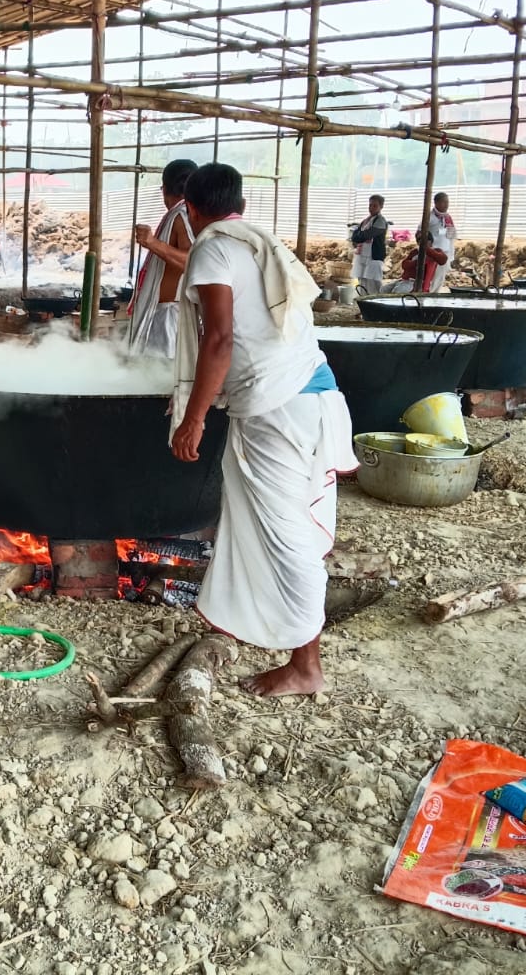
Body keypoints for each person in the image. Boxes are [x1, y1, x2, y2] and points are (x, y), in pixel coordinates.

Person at [169, 162, 357, 698]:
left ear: (190, 207)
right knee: (289, 524)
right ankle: (286, 639)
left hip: (279, 408)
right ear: (241, 206)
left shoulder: (211, 246)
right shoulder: (259, 242)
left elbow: (220, 339)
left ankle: (305, 665)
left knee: (287, 535)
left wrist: (195, 416)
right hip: (315, 394)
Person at [126, 159, 197, 358]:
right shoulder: (183, 213)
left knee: (161, 376)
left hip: (170, 315)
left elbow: (193, 261)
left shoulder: (183, 215)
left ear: (164, 188)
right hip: (165, 312)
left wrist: (152, 243)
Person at [385, 231, 449, 295]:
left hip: (416, 283)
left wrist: (426, 249)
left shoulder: (436, 251)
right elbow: (404, 265)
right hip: (405, 279)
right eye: (419, 240)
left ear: (430, 240)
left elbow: (442, 260)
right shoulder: (415, 252)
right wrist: (416, 262)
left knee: (397, 292)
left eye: (424, 240)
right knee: (384, 289)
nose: (421, 242)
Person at [350, 195, 389, 296]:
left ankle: (375, 303)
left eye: (375, 206)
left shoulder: (380, 221)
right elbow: (355, 237)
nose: (371, 208)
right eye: (370, 205)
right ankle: (364, 302)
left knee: (372, 282)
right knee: (362, 280)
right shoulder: (366, 221)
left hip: (374, 256)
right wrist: (359, 235)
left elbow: (366, 235)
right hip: (362, 255)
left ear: (381, 207)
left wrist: (359, 235)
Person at [429, 192, 457, 291]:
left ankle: (434, 298)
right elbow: (420, 234)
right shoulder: (429, 217)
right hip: (433, 254)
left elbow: (451, 238)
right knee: (430, 279)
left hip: (445, 254)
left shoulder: (448, 218)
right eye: (443, 202)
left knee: (439, 279)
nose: (446, 205)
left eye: (447, 202)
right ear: (436, 203)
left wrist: (451, 255)